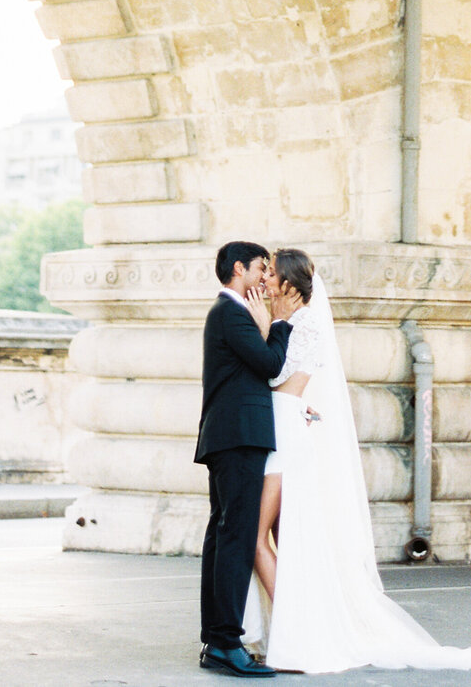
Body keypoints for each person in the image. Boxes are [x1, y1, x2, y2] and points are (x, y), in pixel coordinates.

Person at [242, 248, 471, 675]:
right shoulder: (294, 323)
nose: (266, 280)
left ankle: (303, 634)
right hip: (284, 428)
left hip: (280, 434)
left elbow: (273, 376)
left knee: (254, 536)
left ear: (290, 286)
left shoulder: (296, 325)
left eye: (272, 274)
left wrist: (265, 327)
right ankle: (291, 630)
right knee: (282, 536)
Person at [196, 240, 296, 679]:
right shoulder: (231, 312)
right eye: (260, 267)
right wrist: (279, 323)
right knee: (233, 538)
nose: (264, 276)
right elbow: (270, 364)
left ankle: (217, 641)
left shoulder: (230, 314)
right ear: (240, 268)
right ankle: (224, 643)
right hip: (237, 437)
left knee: (223, 537)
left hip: (230, 437)